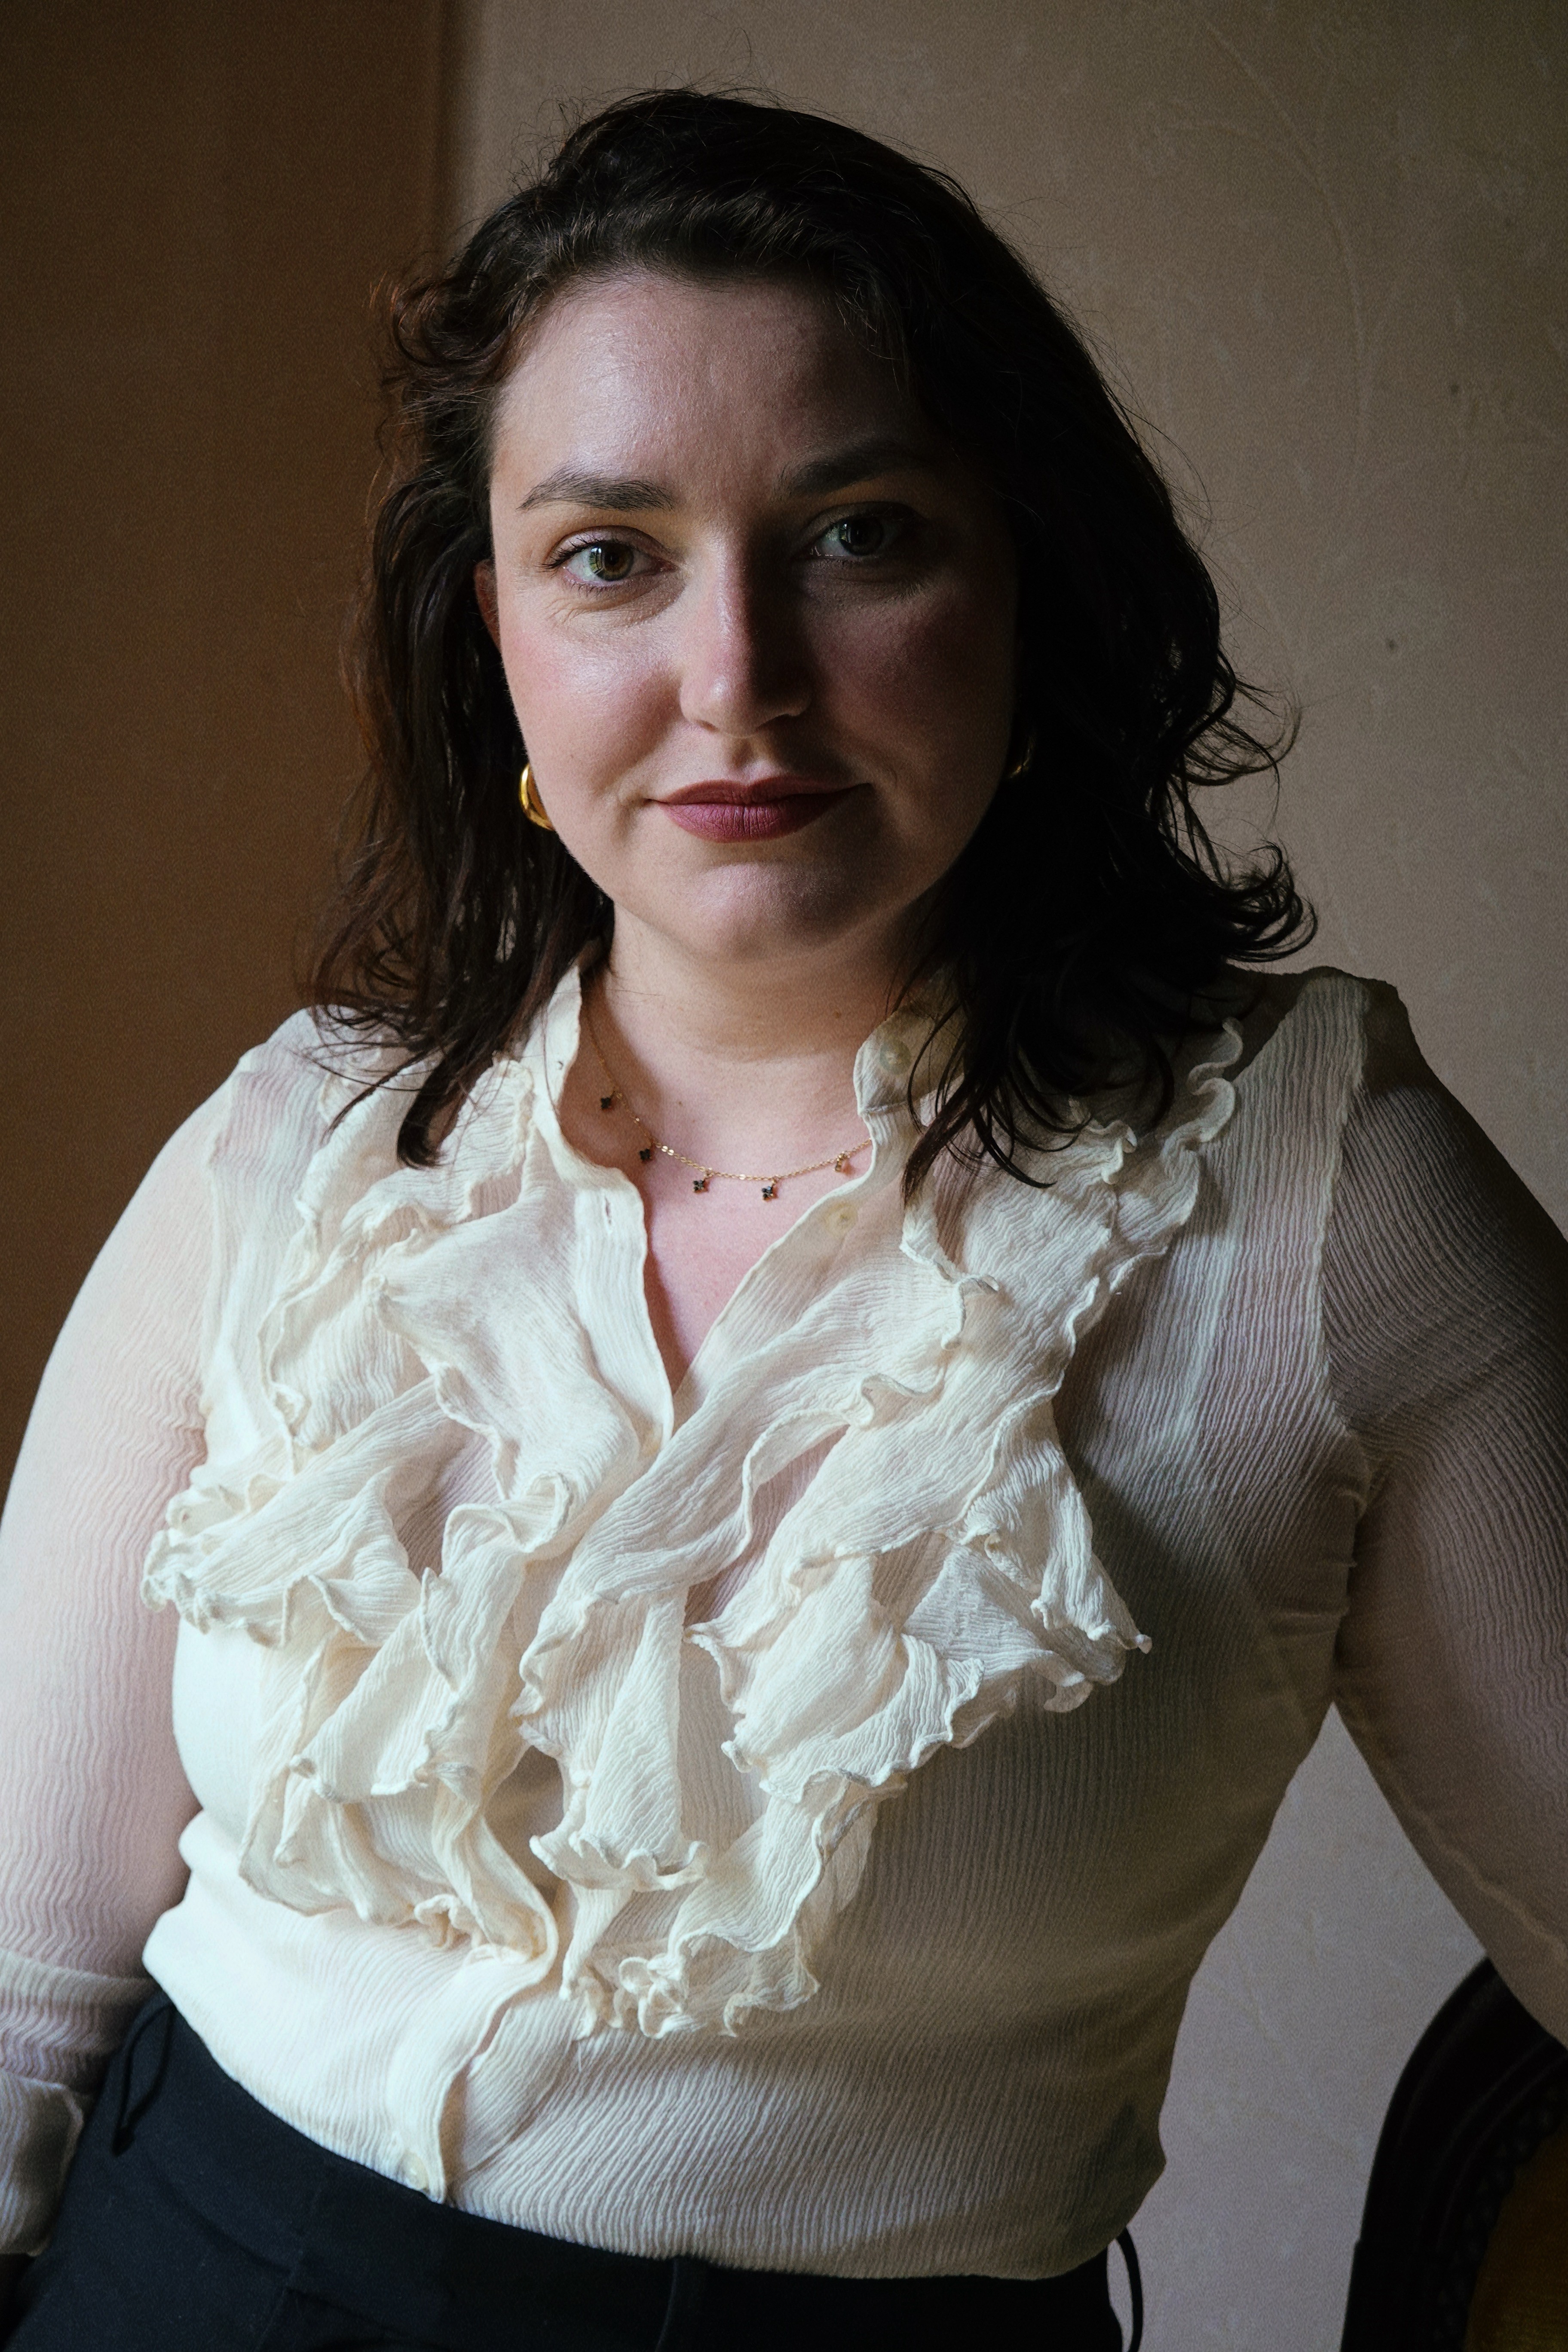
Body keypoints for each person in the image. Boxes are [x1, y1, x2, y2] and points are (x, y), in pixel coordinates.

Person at [0, 86, 1563, 2352]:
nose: (734, 674)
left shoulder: (1324, 1196)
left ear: (1029, 580)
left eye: (858, 534)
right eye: (610, 553)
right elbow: (20, 1973)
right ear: (497, 638)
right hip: (179, 2283)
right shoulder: (293, 1155)